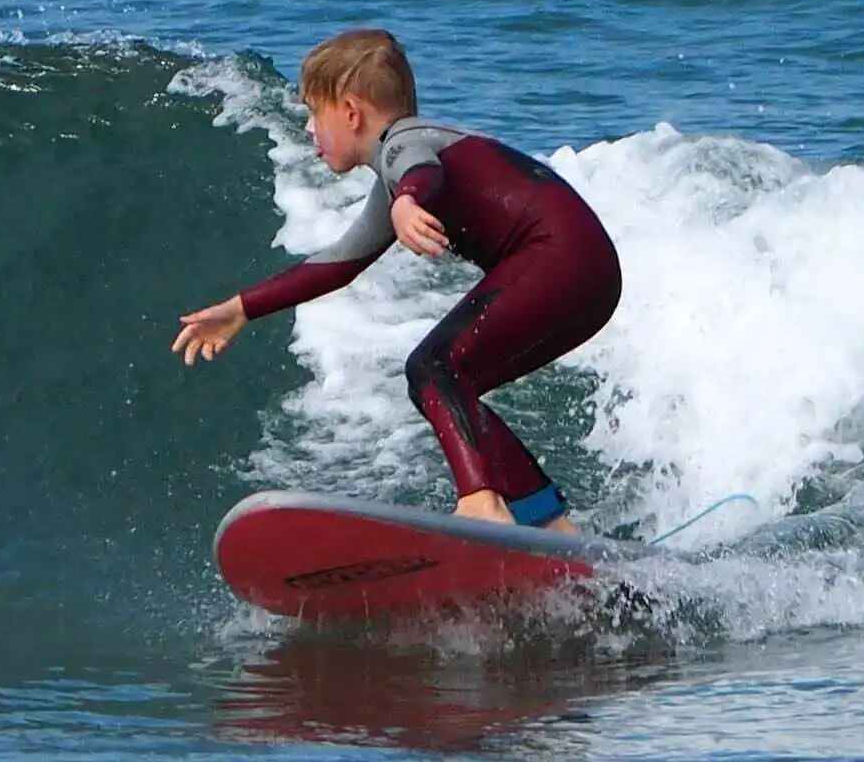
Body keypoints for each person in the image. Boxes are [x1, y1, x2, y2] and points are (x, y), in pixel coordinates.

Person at [171, 28, 621, 532]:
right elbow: (339, 263)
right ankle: (547, 522)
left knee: (432, 367)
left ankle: (481, 501)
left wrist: (408, 199)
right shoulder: (404, 165)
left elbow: (419, 171)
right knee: (451, 386)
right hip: (590, 272)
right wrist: (241, 308)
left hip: (558, 257)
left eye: (312, 113)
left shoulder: (403, 145)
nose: (309, 130)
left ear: (350, 111)